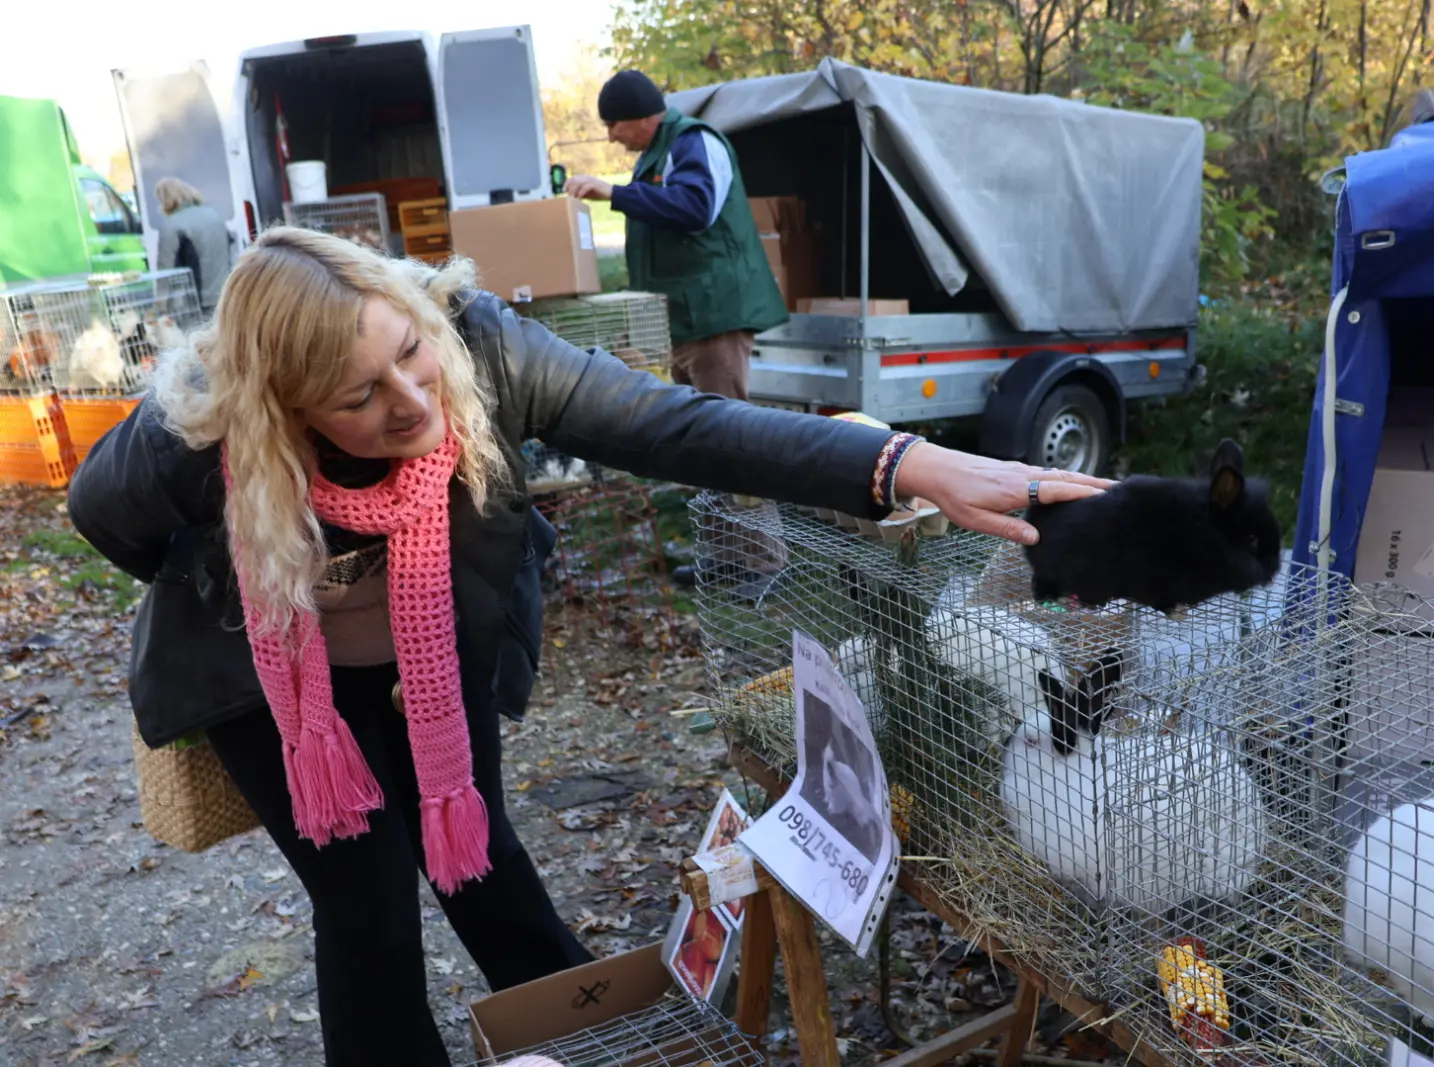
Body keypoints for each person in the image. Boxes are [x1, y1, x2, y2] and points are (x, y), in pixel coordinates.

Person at [67, 226, 1109, 1067]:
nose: (414, 401)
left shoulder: (485, 348)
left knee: (478, 854)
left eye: (409, 352)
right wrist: (248, 578)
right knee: (366, 904)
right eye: (359, 396)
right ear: (286, 411)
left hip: (429, 659)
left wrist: (906, 462)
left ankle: (589, 1034)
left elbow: (681, 426)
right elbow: (104, 518)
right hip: (284, 691)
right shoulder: (199, 428)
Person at [566, 69, 790, 592]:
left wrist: (615, 193)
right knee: (698, 441)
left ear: (641, 116)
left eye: (614, 124)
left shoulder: (694, 141)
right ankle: (725, 558)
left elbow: (695, 208)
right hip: (686, 320)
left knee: (732, 439)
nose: (611, 137)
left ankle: (767, 563)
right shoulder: (657, 153)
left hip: (715, 317)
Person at [154, 177, 231, 313]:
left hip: (197, 300)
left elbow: (166, 268)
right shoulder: (213, 215)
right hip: (225, 292)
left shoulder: (172, 225)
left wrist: (161, 305)